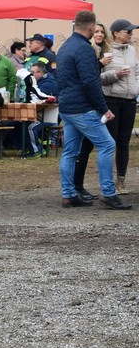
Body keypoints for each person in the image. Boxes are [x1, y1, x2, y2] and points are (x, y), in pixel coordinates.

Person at [56, 11, 130, 210]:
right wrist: (103, 108)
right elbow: (90, 82)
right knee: (107, 144)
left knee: (70, 151)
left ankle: (68, 194)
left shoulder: (65, 46)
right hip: (83, 108)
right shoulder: (85, 49)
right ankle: (108, 193)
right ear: (90, 27)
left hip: (67, 107)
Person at [73, 21, 113, 199]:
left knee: (88, 147)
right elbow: (88, 78)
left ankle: (77, 186)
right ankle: (78, 186)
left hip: (103, 101)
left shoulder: (107, 51)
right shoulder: (86, 50)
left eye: (102, 32)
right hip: (89, 105)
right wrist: (100, 64)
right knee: (87, 147)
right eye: (96, 31)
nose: (99, 34)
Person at [100, 18, 139, 193]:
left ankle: (121, 181)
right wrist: (115, 74)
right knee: (110, 142)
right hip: (112, 100)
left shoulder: (131, 50)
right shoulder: (105, 50)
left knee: (124, 142)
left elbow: (136, 72)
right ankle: (107, 183)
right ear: (116, 33)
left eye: (132, 31)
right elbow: (98, 77)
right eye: (128, 31)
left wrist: (136, 88)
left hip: (129, 100)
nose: (131, 34)